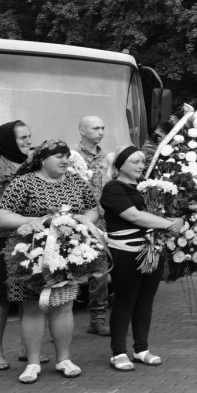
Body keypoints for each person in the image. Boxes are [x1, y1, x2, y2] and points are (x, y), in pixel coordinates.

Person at [0, 140, 98, 383]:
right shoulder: (24, 182)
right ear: (42, 159)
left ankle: (64, 359)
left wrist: (79, 220)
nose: (64, 162)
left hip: (68, 253)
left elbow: (93, 210)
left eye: (66, 157)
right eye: (58, 157)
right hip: (31, 253)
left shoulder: (76, 182)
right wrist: (40, 220)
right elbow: (2, 217)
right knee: (34, 307)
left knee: (64, 306)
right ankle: (32, 362)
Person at [100, 146, 184, 371]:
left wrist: (177, 219)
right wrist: (169, 224)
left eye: (142, 162)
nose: (140, 166)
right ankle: (118, 352)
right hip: (126, 252)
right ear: (120, 165)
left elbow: (162, 212)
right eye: (135, 162)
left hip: (153, 250)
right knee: (125, 301)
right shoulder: (113, 188)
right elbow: (134, 216)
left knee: (145, 301)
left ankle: (141, 349)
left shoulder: (148, 187)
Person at [0, 120, 34, 371]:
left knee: (29, 295)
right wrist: (28, 206)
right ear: (8, 141)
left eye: (29, 137)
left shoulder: (34, 163)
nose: (28, 142)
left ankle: (28, 348)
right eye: (22, 138)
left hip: (32, 237)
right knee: (1, 298)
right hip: (4, 238)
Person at [76, 115, 111, 337]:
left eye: (102, 127)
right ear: (82, 130)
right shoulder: (71, 157)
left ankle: (98, 318)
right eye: (95, 128)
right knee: (67, 271)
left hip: (103, 222)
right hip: (77, 221)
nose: (100, 132)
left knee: (100, 272)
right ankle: (57, 320)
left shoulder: (108, 158)